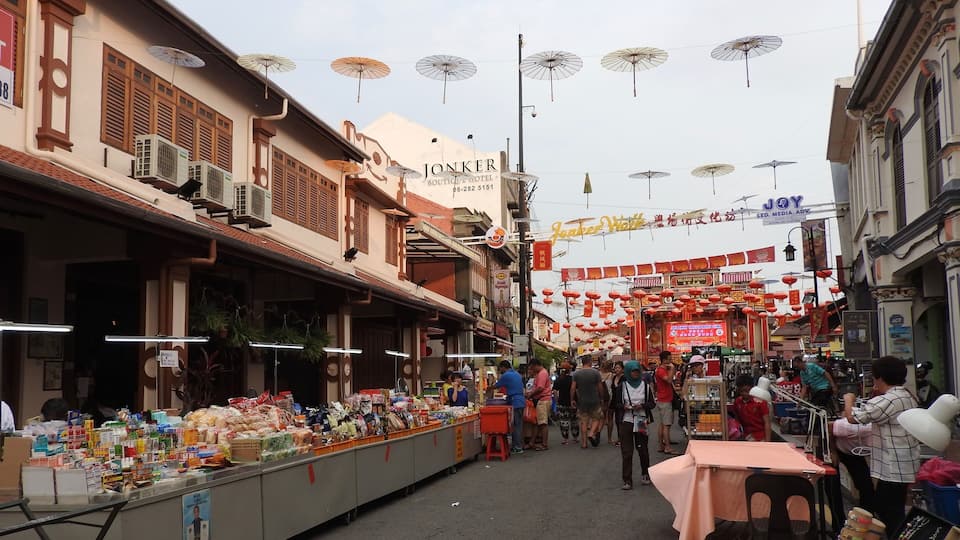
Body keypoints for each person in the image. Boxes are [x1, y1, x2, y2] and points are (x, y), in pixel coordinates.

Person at [843, 356, 920, 533]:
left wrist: (849, 400)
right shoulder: (907, 395)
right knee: (891, 509)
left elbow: (853, 418)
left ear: (880, 377)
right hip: (903, 463)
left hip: (894, 466)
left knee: (890, 513)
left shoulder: (890, 400)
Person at [618, 361, 655, 490]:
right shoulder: (622, 386)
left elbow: (652, 403)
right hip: (626, 420)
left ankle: (645, 473)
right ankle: (627, 480)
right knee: (627, 451)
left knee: (643, 449)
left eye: (637, 371)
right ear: (628, 372)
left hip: (641, 419)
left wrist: (642, 406)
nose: (635, 374)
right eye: (633, 371)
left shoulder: (645, 386)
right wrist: (624, 407)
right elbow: (616, 404)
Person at [830, 417, 875, 510]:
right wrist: (832, 452)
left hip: (855, 451)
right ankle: (838, 519)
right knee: (832, 483)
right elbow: (829, 427)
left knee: (866, 485)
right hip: (839, 448)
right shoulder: (856, 428)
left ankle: (867, 514)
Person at [491, 360, 526, 454]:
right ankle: (518, 445)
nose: (500, 370)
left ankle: (517, 447)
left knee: (516, 426)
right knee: (518, 425)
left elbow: (496, 386)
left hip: (515, 402)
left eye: (500, 368)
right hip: (521, 401)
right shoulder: (516, 374)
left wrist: (488, 387)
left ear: (503, 367)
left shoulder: (506, 375)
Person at [570, 356, 604, 448]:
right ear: (590, 362)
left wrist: (572, 399)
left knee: (583, 421)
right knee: (596, 418)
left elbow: (573, 388)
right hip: (594, 399)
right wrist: (601, 397)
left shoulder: (576, 374)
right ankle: (591, 433)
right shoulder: (596, 373)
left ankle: (584, 443)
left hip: (582, 401)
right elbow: (600, 387)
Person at [730, 374, 771, 441]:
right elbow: (737, 420)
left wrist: (768, 441)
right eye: (741, 391)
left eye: (746, 391)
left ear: (752, 388)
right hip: (745, 436)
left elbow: (767, 422)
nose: (744, 393)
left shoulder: (760, 402)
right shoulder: (737, 402)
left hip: (760, 437)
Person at [524, 358, 552, 451]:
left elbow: (540, 388)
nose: (532, 370)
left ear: (536, 365)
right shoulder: (541, 373)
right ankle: (532, 442)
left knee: (543, 423)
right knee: (537, 422)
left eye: (532, 367)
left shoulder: (542, 373)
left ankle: (544, 444)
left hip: (543, 400)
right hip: (540, 400)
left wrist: (531, 394)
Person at [653, 351, 677, 454]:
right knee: (666, 424)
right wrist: (672, 369)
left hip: (663, 398)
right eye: (669, 359)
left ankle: (661, 445)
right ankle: (667, 447)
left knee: (663, 424)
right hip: (665, 399)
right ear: (664, 360)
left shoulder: (660, 369)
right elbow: (668, 380)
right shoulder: (661, 370)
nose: (671, 360)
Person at [553, 362, 578, 444]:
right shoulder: (573, 379)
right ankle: (575, 437)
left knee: (564, 421)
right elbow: (577, 390)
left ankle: (565, 439)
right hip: (573, 402)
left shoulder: (558, 379)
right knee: (574, 420)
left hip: (562, 402)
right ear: (569, 370)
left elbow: (555, 391)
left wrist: (556, 402)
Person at [608, 361, 625, 446]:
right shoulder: (614, 377)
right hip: (613, 400)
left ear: (622, 369)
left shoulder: (624, 378)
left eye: (618, 368)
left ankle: (621, 439)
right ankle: (616, 438)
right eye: (615, 368)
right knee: (615, 420)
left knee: (620, 420)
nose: (617, 369)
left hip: (621, 401)